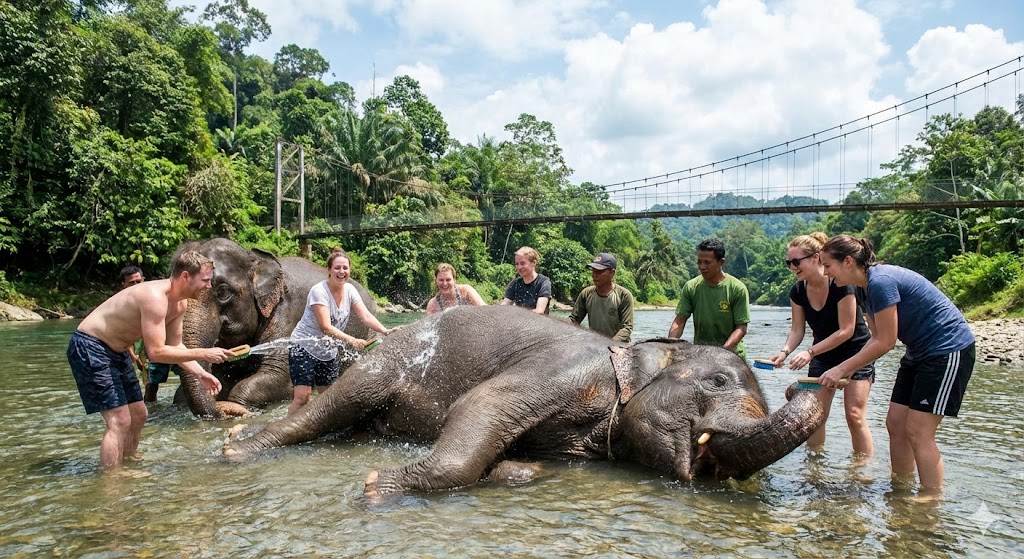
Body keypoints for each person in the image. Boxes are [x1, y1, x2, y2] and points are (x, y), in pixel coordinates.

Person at [817, 235, 976, 492]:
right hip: (919, 351)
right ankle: (901, 489)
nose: (825, 273)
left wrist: (843, 368)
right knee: (896, 424)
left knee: (918, 430)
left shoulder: (881, 282)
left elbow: (887, 342)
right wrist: (846, 368)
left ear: (847, 261)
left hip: (948, 349)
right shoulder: (862, 288)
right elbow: (876, 337)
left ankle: (930, 500)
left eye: (828, 265)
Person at [67, 252, 231, 469]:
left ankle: (127, 464)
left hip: (116, 351)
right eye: (205, 280)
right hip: (91, 346)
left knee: (138, 414)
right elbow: (156, 353)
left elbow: (176, 346)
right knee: (119, 420)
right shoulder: (155, 297)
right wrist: (204, 353)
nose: (208, 286)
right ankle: (112, 481)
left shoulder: (179, 304)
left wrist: (201, 373)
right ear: (185, 277)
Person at [768, 233, 875, 456]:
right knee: (814, 416)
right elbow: (797, 329)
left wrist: (810, 352)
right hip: (823, 357)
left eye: (796, 262)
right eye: (789, 263)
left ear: (816, 257)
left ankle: (862, 471)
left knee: (854, 415)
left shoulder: (842, 284)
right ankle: (815, 468)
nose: (792, 267)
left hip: (855, 354)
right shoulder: (797, 291)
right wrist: (784, 352)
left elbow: (846, 330)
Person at [287, 248, 397, 415]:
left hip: (327, 350)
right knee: (303, 396)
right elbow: (326, 326)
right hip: (303, 346)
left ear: (349, 271)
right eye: (337, 268)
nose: (341, 272)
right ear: (329, 270)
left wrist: (385, 331)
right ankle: (285, 429)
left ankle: (318, 430)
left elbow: (365, 316)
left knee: (328, 397)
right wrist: (352, 340)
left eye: (345, 268)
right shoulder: (319, 291)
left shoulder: (350, 290)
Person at [667, 238, 750, 359]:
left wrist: (722, 352)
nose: (702, 267)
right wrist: (670, 347)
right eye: (699, 262)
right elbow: (679, 321)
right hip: (701, 353)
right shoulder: (691, 287)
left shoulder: (737, 289)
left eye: (707, 262)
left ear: (721, 262)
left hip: (731, 354)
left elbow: (741, 328)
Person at [568, 253, 634, 342]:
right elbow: (574, 320)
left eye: (599, 272)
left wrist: (610, 344)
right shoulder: (586, 293)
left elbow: (627, 328)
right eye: (593, 271)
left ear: (612, 273)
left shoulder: (624, 295)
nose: (595, 275)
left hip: (618, 347)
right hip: (594, 345)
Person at [499, 246, 552, 314]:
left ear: (534, 263)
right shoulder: (515, 284)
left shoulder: (543, 282)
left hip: (539, 323)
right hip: (519, 322)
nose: (519, 267)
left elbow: (539, 311)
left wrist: (517, 315)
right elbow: (503, 306)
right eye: (517, 264)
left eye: (522, 263)